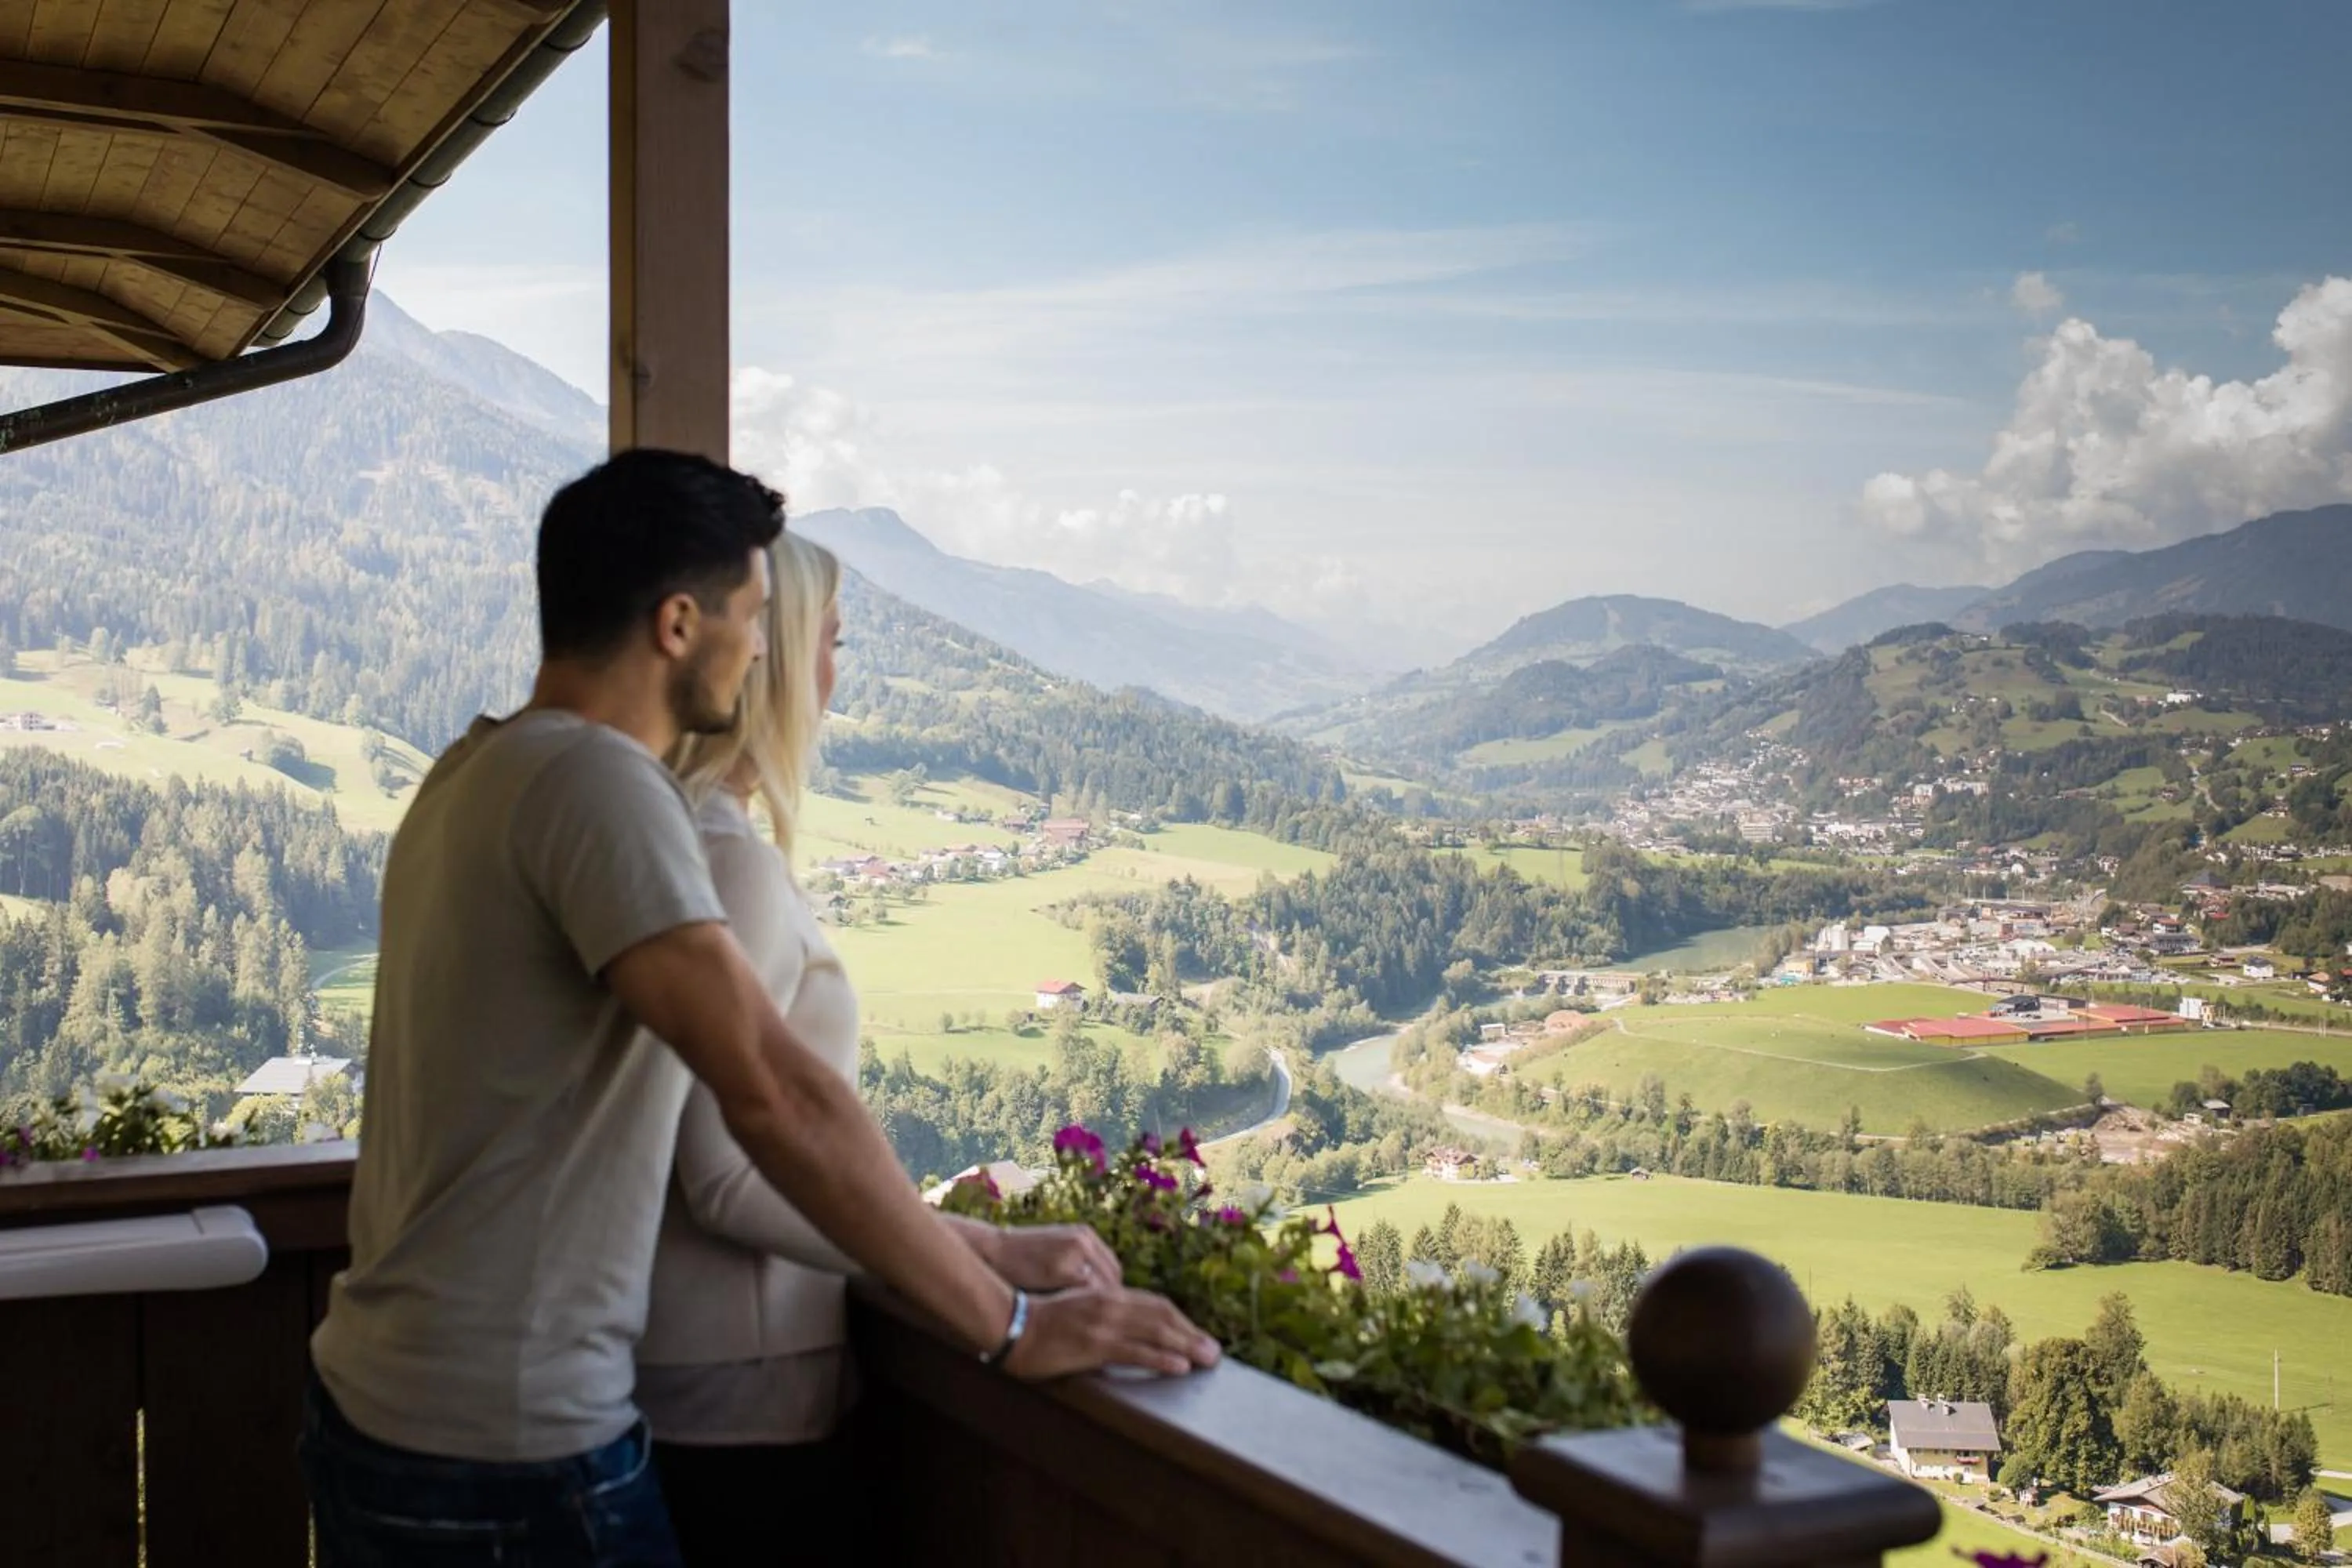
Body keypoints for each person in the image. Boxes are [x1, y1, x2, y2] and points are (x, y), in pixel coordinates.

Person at [299, 450, 1218, 1568]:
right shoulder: (599, 785)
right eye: (751, 615)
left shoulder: (470, 770)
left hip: (379, 1402)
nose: (760, 647)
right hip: (509, 1444)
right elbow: (775, 1095)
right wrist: (1006, 1324)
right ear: (680, 624)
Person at [638, 533, 1120, 1563]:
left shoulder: (674, 837)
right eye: (832, 642)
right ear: (771, 656)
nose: (834, 676)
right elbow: (725, 1174)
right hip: (742, 1388)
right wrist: (973, 1253)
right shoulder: (732, 869)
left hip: (697, 1375)